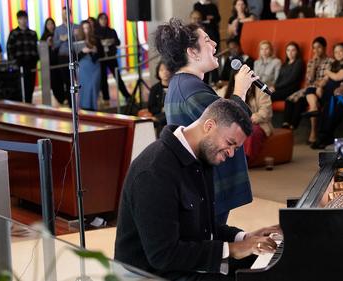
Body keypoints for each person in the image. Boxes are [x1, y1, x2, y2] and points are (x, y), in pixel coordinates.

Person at [115, 99, 280, 281]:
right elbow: (163, 255)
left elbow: (202, 228)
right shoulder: (154, 171)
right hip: (152, 275)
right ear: (209, 126)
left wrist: (245, 237)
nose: (231, 153)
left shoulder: (201, 157)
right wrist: (232, 249)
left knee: (265, 263)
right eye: (230, 143)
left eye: (236, 148)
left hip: (181, 266)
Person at [156, 18, 257, 226]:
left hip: (201, 184)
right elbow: (228, 128)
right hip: (207, 185)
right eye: (208, 40)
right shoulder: (191, 89)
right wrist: (240, 90)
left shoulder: (182, 83)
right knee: (208, 246)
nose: (214, 45)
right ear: (192, 52)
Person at [6, 10, 39, 103]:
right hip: (19, 64)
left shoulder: (33, 33)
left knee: (30, 85)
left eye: (25, 18)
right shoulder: (13, 33)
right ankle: (22, 105)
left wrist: (36, 59)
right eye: (21, 18)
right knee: (21, 86)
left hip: (31, 63)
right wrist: (13, 62)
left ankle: (29, 103)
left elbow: (37, 49)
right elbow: (9, 48)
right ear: (18, 20)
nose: (23, 20)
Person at [97, 12, 130, 102]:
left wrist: (111, 41)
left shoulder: (112, 31)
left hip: (111, 57)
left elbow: (118, 42)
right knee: (103, 79)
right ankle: (106, 98)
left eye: (105, 19)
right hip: (101, 58)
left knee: (117, 77)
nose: (103, 21)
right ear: (98, 20)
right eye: (101, 19)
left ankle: (126, 95)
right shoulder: (96, 32)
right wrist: (102, 43)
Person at [53, 7, 79, 106]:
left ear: (70, 14)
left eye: (67, 13)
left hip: (75, 56)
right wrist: (62, 39)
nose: (65, 15)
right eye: (63, 13)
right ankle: (70, 104)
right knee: (67, 82)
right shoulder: (58, 29)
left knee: (78, 80)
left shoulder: (76, 27)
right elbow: (55, 46)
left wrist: (76, 35)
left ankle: (82, 103)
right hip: (63, 57)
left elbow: (82, 40)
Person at [138, 61, 171, 136]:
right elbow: (151, 107)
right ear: (158, 73)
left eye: (167, 69)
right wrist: (161, 109)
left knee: (165, 117)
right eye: (161, 70)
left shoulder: (175, 86)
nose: (165, 72)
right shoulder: (154, 89)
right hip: (160, 114)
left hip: (172, 114)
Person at [76, 20, 102, 111]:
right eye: (84, 28)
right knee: (85, 88)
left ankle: (94, 108)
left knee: (94, 86)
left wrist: (95, 51)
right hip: (83, 67)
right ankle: (85, 108)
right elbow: (74, 56)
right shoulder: (77, 40)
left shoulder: (96, 38)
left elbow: (101, 53)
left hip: (95, 66)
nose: (86, 30)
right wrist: (83, 52)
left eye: (87, 28)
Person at [40, 17, 66, 104]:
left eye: (52, 24)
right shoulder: (44, 37)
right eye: (48, 24)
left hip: (60, 61)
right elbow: (42, 49)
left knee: (62, 80)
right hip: (50, 63)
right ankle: (60, 99)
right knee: (54, 83)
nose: (50, 26)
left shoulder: (57, 34)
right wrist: (47, 44)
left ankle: (64, 98)